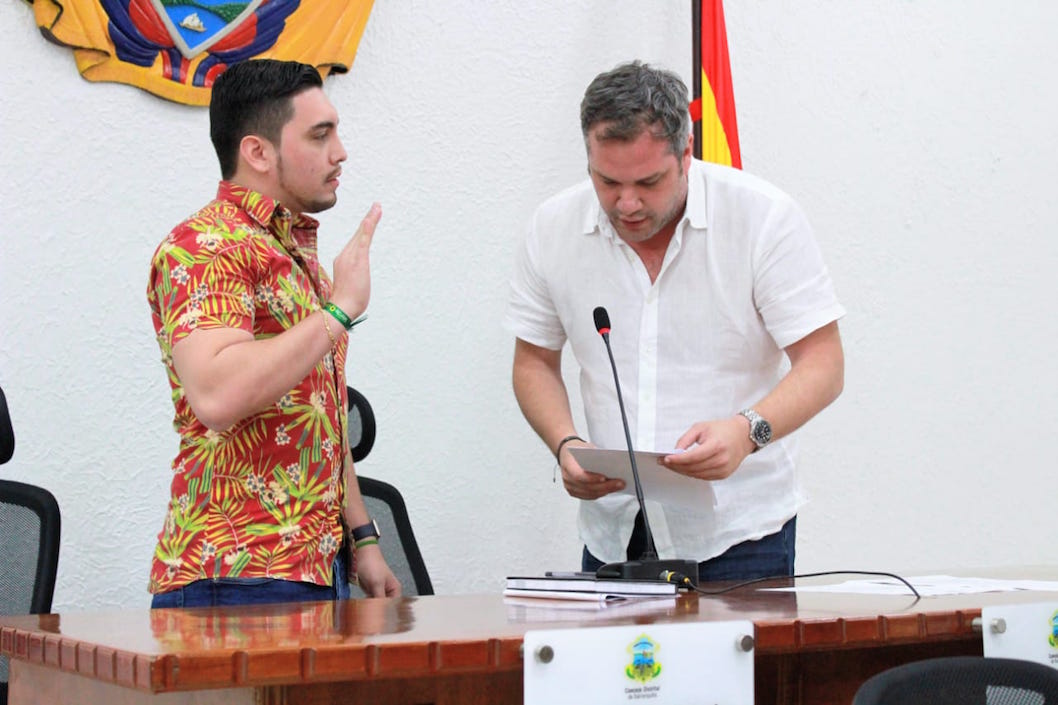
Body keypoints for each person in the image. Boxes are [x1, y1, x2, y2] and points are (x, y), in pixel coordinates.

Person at [504, 61, 845, 582]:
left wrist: (746, 431)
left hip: (740, 529)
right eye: (607, 181)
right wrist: (564, 442)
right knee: (618, 669)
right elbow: (534, 362)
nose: (628, 202)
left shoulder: (762, 218)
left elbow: (824, 364)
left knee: (744, 668)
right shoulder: (553, 228)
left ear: (686, 154)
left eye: (649, 181)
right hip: (613, 528)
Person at [146, 59, 400, 607]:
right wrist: (339, 311)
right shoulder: (206, 245)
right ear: (258, 152)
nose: (341, 152)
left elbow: (320, 415)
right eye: (319, 134)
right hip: (236, 569)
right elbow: (217, 394)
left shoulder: (293, 257)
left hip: (313, 563)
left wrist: (363, 538)